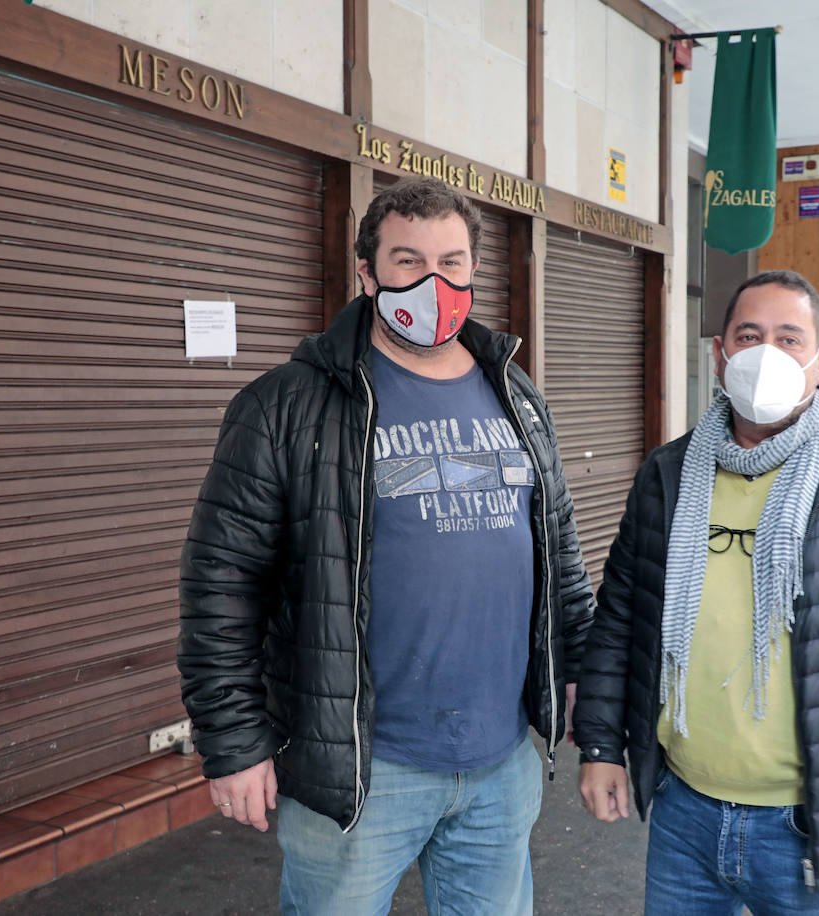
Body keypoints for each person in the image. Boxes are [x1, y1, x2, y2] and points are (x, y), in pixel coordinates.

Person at [176, 177, 593, 916]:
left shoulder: (517, 394)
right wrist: (233, 742)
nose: (434, 282)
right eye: (407, 262)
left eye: (453, 262)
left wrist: (582, 680)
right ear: (367, 273)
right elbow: (221, 586)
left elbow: (559, 560)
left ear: (472, 272)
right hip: (363, 770)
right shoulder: (286, 405)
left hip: (500, 765)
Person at [573, 270, 819, 915]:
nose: (767, 355)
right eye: (749, 335)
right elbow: (621, 619)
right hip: (683, 813)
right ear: (719, 354)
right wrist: (600, 746)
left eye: (789, 339)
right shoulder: (666, 475)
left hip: (811, 826)